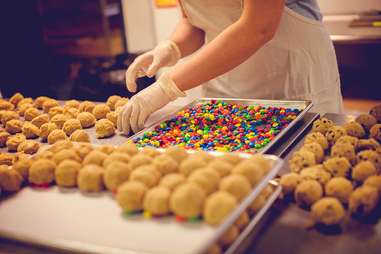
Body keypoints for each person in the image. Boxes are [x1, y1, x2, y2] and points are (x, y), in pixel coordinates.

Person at [118, 0, 344, 135]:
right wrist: (171, 47)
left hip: (292, 82)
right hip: (225, 88)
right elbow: (195, 20)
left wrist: (167, 87)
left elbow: (259, 26)